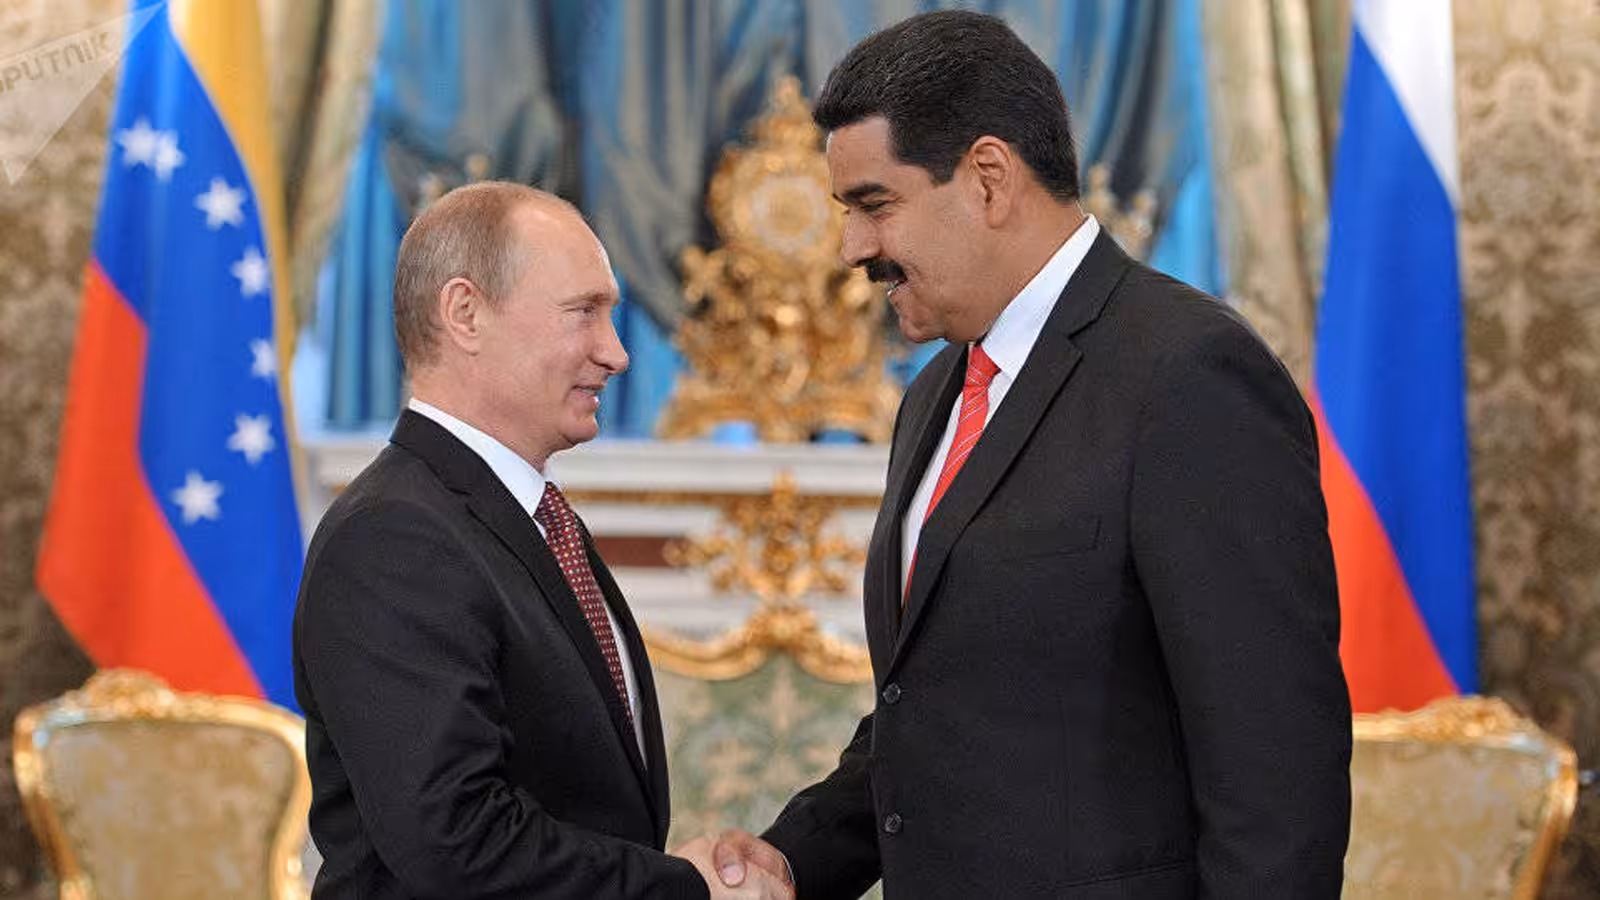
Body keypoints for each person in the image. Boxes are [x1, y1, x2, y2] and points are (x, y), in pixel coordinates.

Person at [711, 11, 1352, 899]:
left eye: (873, 205)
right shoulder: (937, 392)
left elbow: (1276, 768)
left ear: (987, 178)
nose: (853, 249)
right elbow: (938, 708)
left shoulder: (1190, 373)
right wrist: (794, 857)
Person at [293, 182, 788, 899]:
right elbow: (456, 840)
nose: (616, 353)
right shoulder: (395, 537)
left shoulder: (525, 517)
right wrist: (686, 889)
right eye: (583, 312)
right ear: (465, 314)